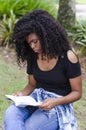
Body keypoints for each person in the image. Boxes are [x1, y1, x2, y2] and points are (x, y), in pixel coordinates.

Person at [4, 9, 82, 130]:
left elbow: (77, 93)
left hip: (58, 106)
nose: (33, 46)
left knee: (31, 126)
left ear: (47, 36)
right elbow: (31, 84)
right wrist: (21, 94)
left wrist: (55, 102)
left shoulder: (68, 57)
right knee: (11, 114)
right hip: (36, 100)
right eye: (29, 43)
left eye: (35, 41)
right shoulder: (33, 56)